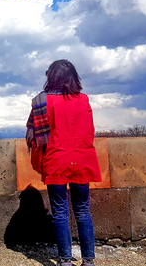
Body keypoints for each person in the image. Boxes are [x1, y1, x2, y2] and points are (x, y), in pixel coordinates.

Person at [26, 60, 102, 266]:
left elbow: (35, 137)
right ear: (73, 77)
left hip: (56, 158)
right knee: (83, 210)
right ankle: (88, 261)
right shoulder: (84, 99)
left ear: (51, 77)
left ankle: (65, 261)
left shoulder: (41, 101)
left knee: (60, 212)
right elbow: (90, 131)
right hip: (82, 158)